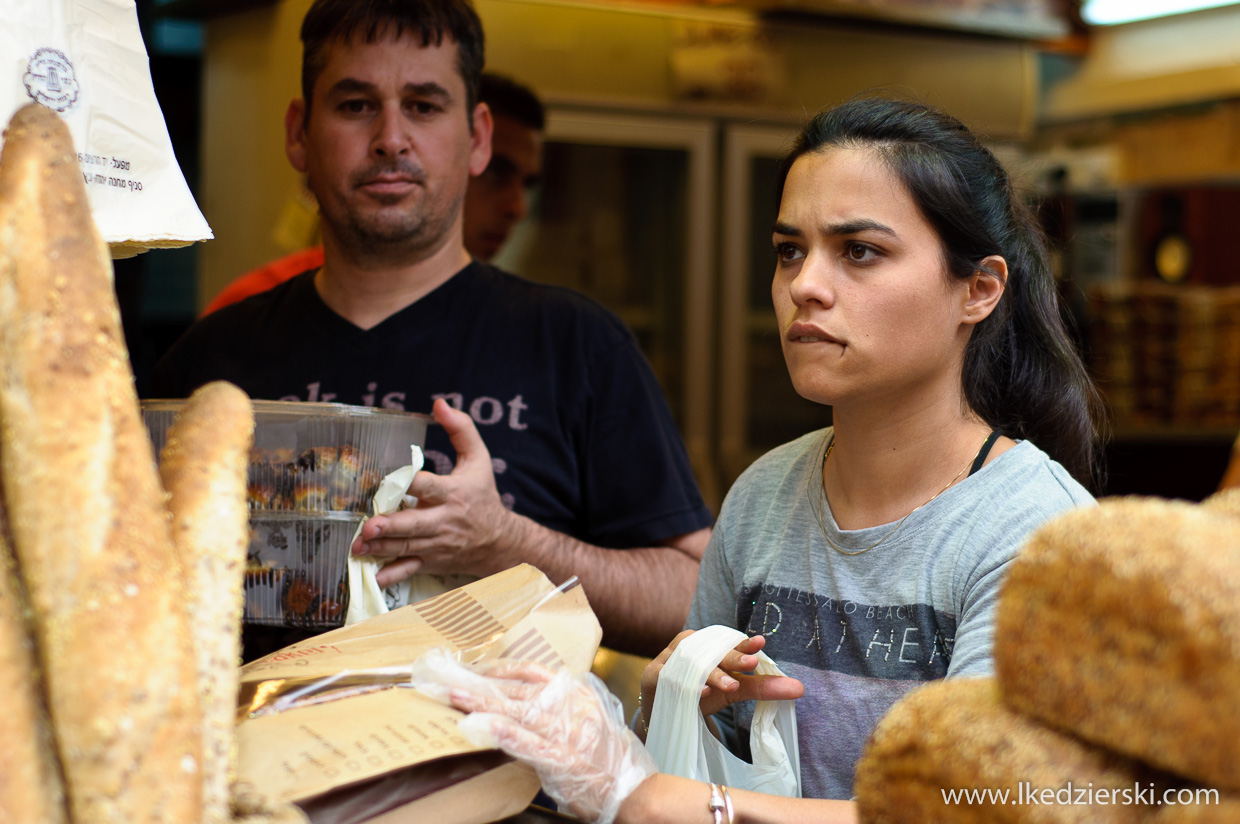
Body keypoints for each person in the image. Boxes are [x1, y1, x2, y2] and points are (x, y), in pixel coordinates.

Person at [424, 96, 1108, 823]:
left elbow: (968, 813)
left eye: (860, 252)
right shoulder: (764, 495)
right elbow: (689, 761)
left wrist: (644, 795)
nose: (805, 286)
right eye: (790, 251)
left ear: (978, 289)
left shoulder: (1039, 535)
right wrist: (672, 698)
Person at [146, 0, 713, 659]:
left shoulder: (577, 346)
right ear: (299, 133)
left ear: (477, 137)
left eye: (423, 105)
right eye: (356, 105)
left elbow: (693, 598)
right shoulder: (210, 362)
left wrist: (508, 543)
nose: (391, 138)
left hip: (496, 761)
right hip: (244, 755)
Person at [198, 71, 544, 315]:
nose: (517, 207)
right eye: (497, 173)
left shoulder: (537, 329)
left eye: (527, 184)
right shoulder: (254, 307)